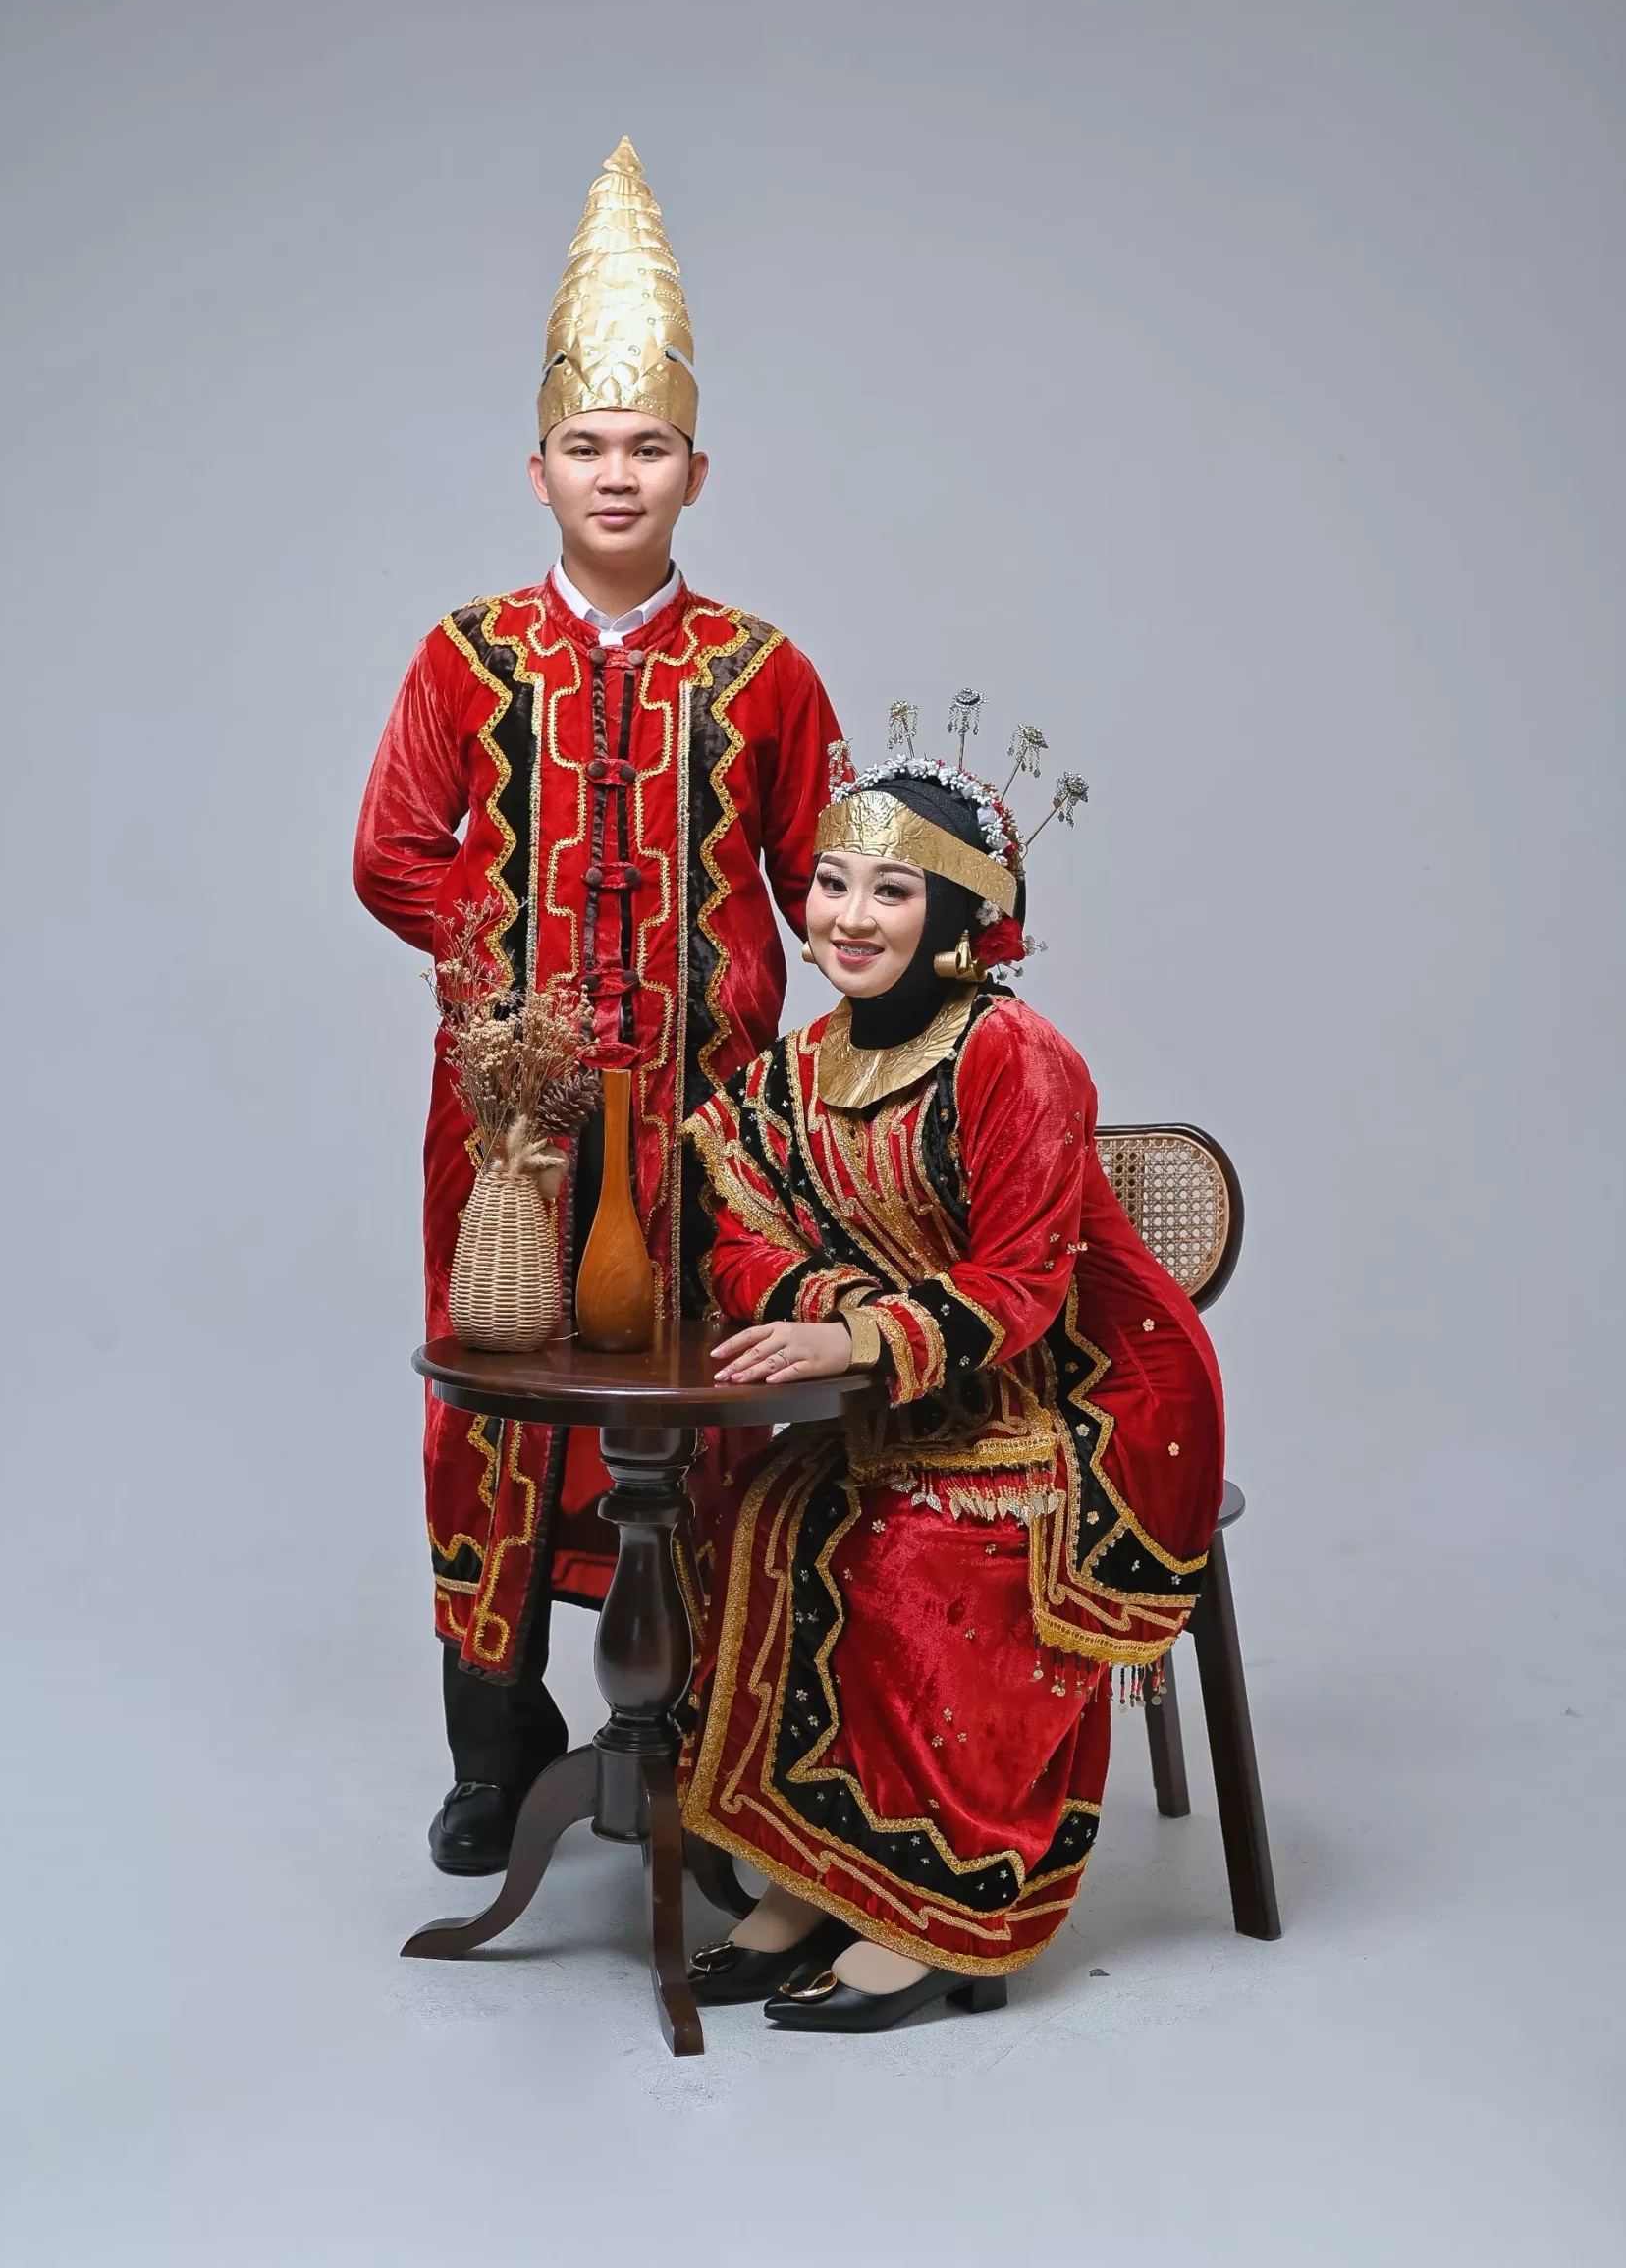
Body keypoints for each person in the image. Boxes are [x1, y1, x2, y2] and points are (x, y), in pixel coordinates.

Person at [354, 139, 841, 1875]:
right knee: (494, 1400)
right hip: (510, 1124)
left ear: (696, 470)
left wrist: (934, 944)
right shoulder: (465, 654)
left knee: (698, 1404)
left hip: (713, 1121)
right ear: (537, 467)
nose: (615, 474)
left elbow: (830, 877)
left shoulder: (762, 668)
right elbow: (393, 852)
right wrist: (520, 1007)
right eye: (586, 446)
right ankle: (498, 1749)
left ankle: (698, 1749)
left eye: (646, 447)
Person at [678, 737, 1224, 2031]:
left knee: (909, 1558)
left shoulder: (1014, 1055)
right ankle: (811, 1878)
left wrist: (859, 1340)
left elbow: (1025, 1281)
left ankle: (933, 1904)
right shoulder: (799, 1067)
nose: (848, 916)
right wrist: (834, 1314)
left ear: (961, 917)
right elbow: (733, 1226)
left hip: (1079, 1400)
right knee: (744, 1516)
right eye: (830, 883)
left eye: (891, 890)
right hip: (903, 1395)